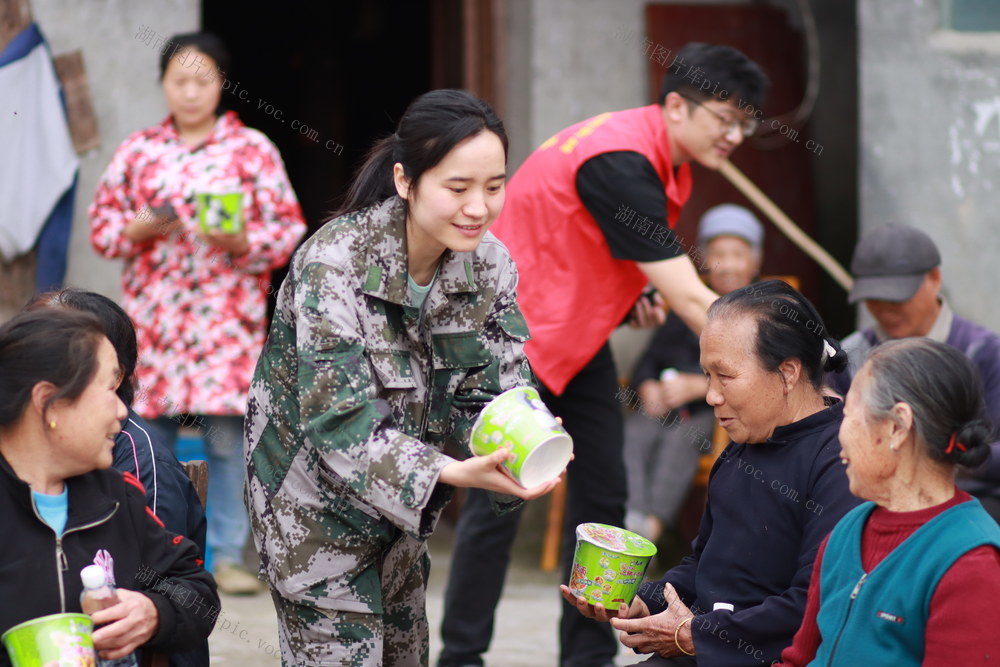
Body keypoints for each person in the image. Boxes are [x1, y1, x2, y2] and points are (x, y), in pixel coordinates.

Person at [439, 42, 770, 667]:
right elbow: (693, 298)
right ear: (677, 106)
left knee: (603, 501)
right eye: (725, 118)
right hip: (516, 342)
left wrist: (629, 297)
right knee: (501, 498)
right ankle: (461, 657)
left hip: (577, 344)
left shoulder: (648, 155)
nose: (734, 135)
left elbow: (588, 244)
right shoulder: (620, 161)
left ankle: (587, 657)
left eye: (743, 124)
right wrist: (779, 353)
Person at [244, 88, 563, 666]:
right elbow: (338, 420)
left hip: (399, 523)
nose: (478, 208)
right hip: (310, 512)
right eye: (458, 188)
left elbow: (494, 388)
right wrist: (449, 471)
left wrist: (523, 438)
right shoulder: (333, 263)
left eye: (494, 187)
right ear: (405, 180)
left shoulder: (489, 263)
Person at [89, 32, 307, 594]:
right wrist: (141, 225)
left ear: (222, 84)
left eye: (202, 80)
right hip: (154, 326)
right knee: (146, 439)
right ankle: (150, 551)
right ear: (163, 85)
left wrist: (240, 241)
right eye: (179, 80)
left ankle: (228, 557)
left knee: (228, 444)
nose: (190, 92)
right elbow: (102, 228)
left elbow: (287, 230)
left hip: (224, 327)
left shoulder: (252, 149)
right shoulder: (139, 150)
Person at [562, 281, 861, 665]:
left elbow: (813, 603)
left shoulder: (840, 460)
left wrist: (695, 636)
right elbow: (704, 566)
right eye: (707, 375)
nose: (711, 395)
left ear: (787, 372)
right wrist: (640, 602)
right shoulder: (742, 448)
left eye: (726, 376)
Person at [0, 308, 218, 666]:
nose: (122, 411)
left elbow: (196, 590)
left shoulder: (116, 497)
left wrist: (154, 612)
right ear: (48, 402)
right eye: (108, 389)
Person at [778, 338, 1000, 665]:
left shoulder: (971, 564)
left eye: (849, 414)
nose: (839, 434)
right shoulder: (845, 534)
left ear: (897, 426)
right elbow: (799, 659)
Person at [827, 225, 1000, 521]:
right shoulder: (851, 356)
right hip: (870, 505)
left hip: (970, 507)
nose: (885, 310)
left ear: (934, 279)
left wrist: (937, 457)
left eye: (896, 299)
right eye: (874, 300)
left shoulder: (984, 352)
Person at [625, 204, 764, 543]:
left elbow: (762, 374)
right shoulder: (685, 304)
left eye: (737, 255)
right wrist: (647, 386)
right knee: (633, 433)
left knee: (681, 440)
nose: (727, 265)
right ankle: (631, 519)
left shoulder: (764, 309)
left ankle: (648, 534)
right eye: (718, 255)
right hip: (663, 408)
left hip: (714, 413)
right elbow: (649, 358)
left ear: (754, 261)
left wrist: (701, 386)